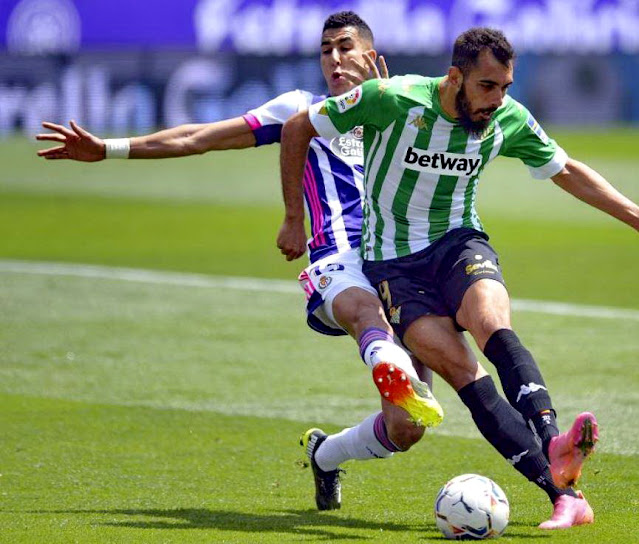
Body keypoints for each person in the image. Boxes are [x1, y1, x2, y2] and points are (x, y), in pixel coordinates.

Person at [36, 11, 444, 513]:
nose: (333, 60)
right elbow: (199, 137)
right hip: (338, 263)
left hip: (402, 266)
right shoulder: (300, 109)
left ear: (371, 55)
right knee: (366, 315)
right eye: (325, 50)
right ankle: (392, 364)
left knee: (408, 428)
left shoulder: (404, 111)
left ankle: (326, 453)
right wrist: (109, 148)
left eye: (343, 47)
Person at [279, 26, 639, 529]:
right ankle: (563, 495)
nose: (499, 99)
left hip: (458, 245)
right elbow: (298, 128)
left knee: (492, 321)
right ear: (455, 78)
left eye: (506, 86)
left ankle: (555, 441)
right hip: (394, 267)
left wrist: (636, 216)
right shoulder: (393, 99)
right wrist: (294, 218)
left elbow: (567, 170)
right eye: (488, 87)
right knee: (464, 373)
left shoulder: (505, 118)